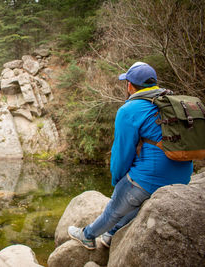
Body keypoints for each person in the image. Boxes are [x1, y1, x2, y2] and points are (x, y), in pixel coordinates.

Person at [68, 62, 193, 249]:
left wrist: (118, 183)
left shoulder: (129, 110)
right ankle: (111, 234)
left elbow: (121, 155)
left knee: (117, 204)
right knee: (135, 200)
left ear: (130, 85)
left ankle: (88, 235)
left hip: (150, 179)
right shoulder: (172, 102)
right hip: (183, 175)